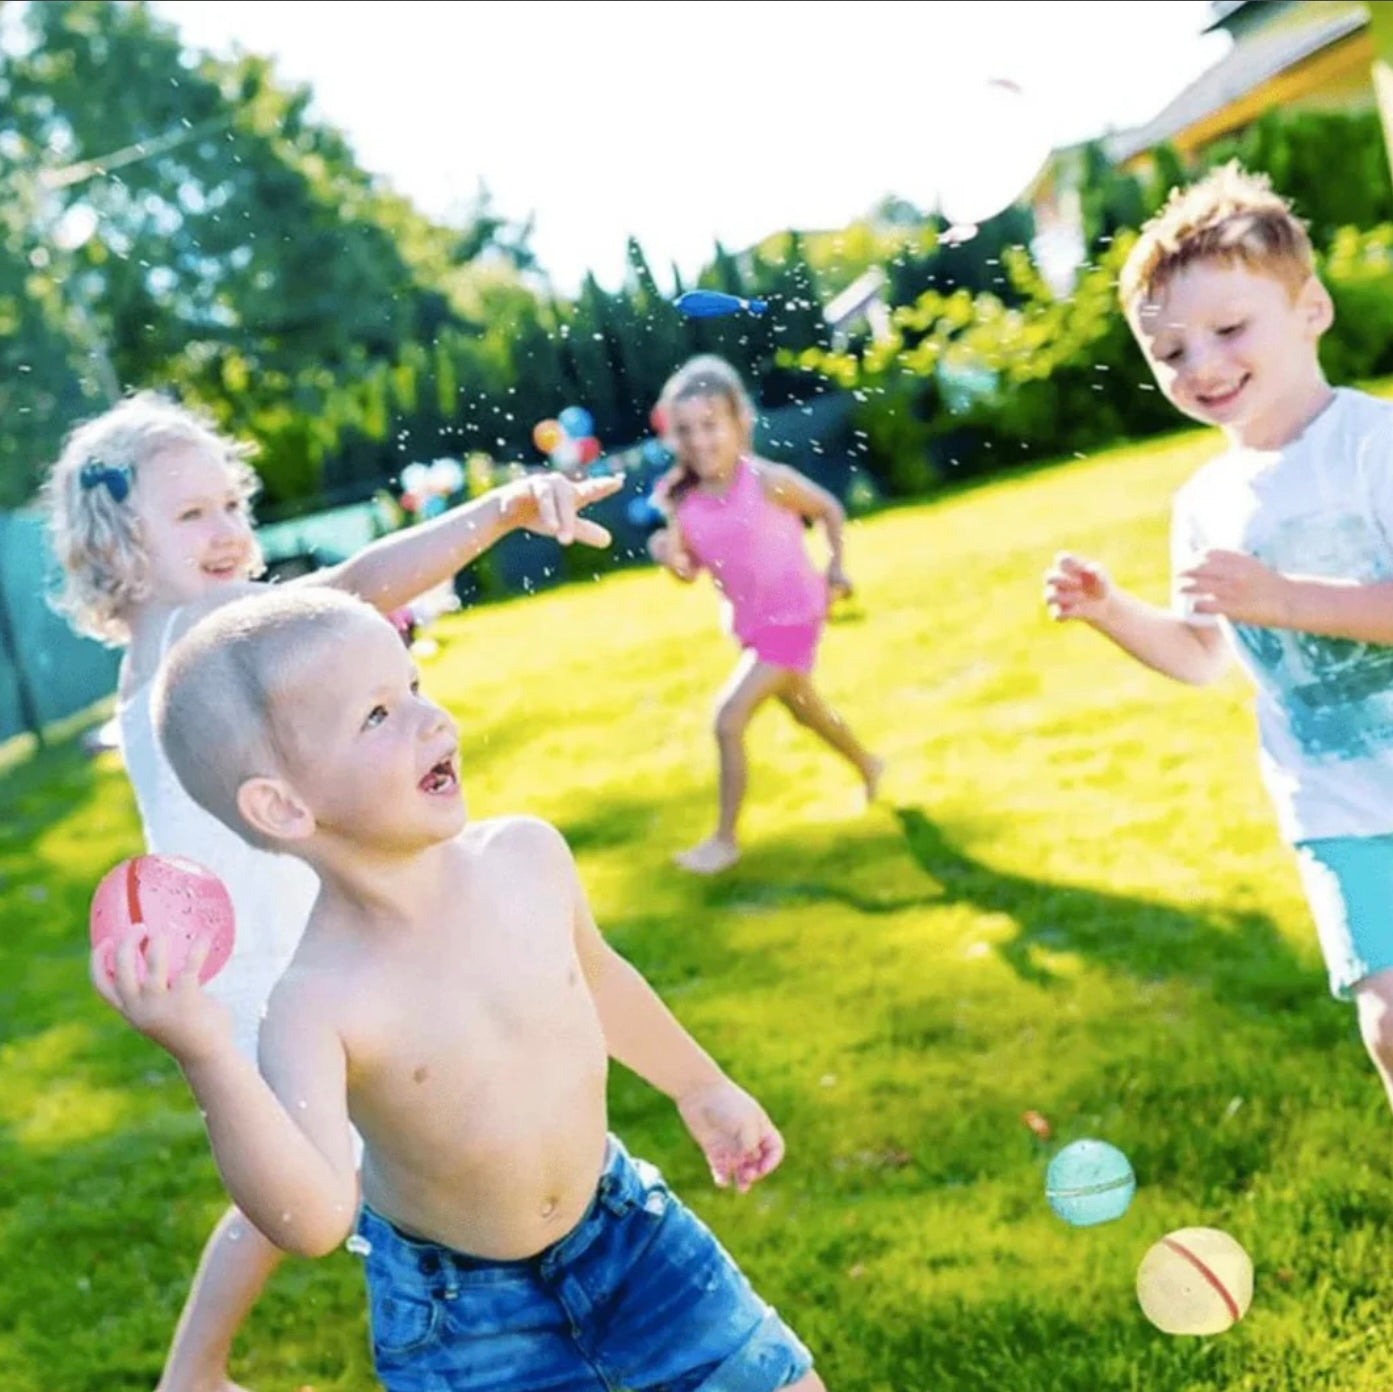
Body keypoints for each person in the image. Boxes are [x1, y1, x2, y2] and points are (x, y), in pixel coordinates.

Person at [91, 586, 826, 1392]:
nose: (431, 721)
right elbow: (313, 1219)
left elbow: (599, 979)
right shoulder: (315, 1002)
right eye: (376, 716)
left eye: (413, 686)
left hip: (626, 1234)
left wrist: (699, 1085)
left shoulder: (526, 858)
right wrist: (204, 1052)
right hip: (461, 1319)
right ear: (283, 806)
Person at [42, 390, 619, 1392]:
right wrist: (500, 513)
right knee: (343, 1170)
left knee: (333, 1166)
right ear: (117, 546)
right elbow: (350, 590)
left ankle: (207, 1367)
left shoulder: (170, 647)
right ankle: (486, 1290)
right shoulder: (193, 630)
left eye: (230, 505)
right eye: (191, 517)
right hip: (278, 980)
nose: (227, 532)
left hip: (287, 962)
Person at [1044, 162, 1393, 1113]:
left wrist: (1282, 598)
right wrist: (1111, 610)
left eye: (1229, 331)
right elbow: (1203, 655)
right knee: (1388, 1023)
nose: (1200, 367)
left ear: (1311, 308)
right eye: (1170, 352)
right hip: (1333, 807)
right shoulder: (1202, 503)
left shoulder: (1372, 444)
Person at [646, 356, 882, 875]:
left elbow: (829, 510)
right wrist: (670, 559)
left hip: (796, 615)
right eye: (686, 430)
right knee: (805, 711)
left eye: (711, 425)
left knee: (727, 720)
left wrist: (837, 567)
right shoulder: (681, 502)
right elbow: (688, 572)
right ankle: (869, 764)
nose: (699, 440)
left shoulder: (768, 481)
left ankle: (725, 840)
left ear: (740, 424)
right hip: (753, 627)